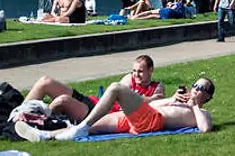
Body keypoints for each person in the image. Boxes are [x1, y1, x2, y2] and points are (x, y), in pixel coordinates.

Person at [19, 76, 214, 140]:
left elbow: (205, 128)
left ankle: (76, 127)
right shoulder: (178, 101)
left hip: (151, 121)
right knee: (87, 128)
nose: (196, 89)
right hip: (137, 119)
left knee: (115, 88)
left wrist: (195, 106)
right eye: (195, 85)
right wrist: (171, 99)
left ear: (207, 96)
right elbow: (152, 105)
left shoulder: (202, 112)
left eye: (201, 88)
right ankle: (45, 135)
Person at [23, 54, 166, 122]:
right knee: (45, 82)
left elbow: (155, 103)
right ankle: (17, 115)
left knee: (62, 100)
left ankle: (33, 121)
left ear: (151, 70)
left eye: (140, 71)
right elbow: (124, 96)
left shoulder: (156, 87)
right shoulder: (129, 79)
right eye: (134, 71)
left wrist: (146, 99)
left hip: (98, 115)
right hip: (92, 102)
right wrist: (145, 99)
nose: (136, 75)